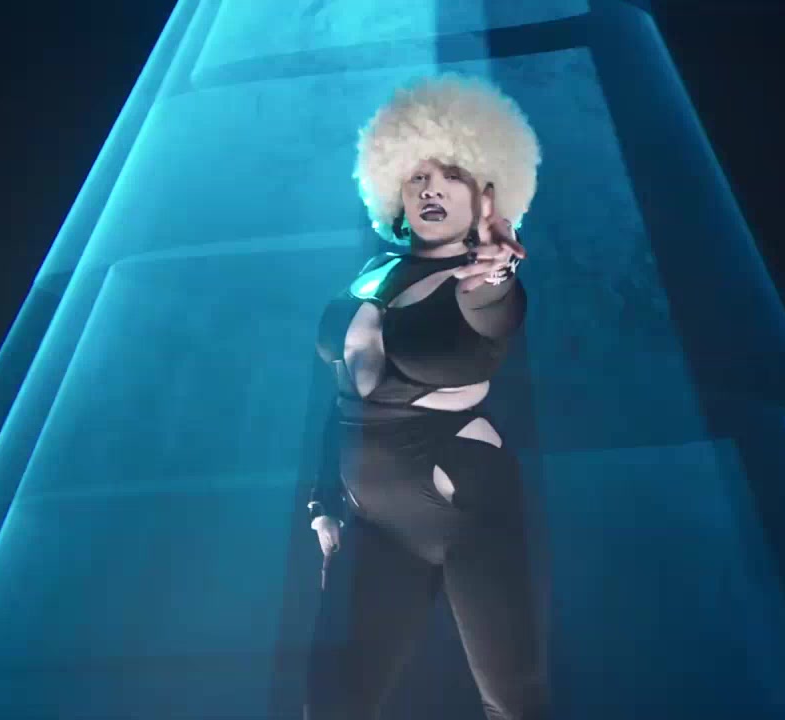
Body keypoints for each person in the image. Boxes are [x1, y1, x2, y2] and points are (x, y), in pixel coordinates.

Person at [303, 74, 548, 720]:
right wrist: (323, 502)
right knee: (330, 703)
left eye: (452, 174)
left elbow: (494, 307)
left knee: (512, 700)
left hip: (467, 514)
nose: (431, 188)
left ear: (488, 190)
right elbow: (339, 401)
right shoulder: (372, 272)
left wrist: (496, 272)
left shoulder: (480, 278)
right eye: (417, 176)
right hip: (373, 524)